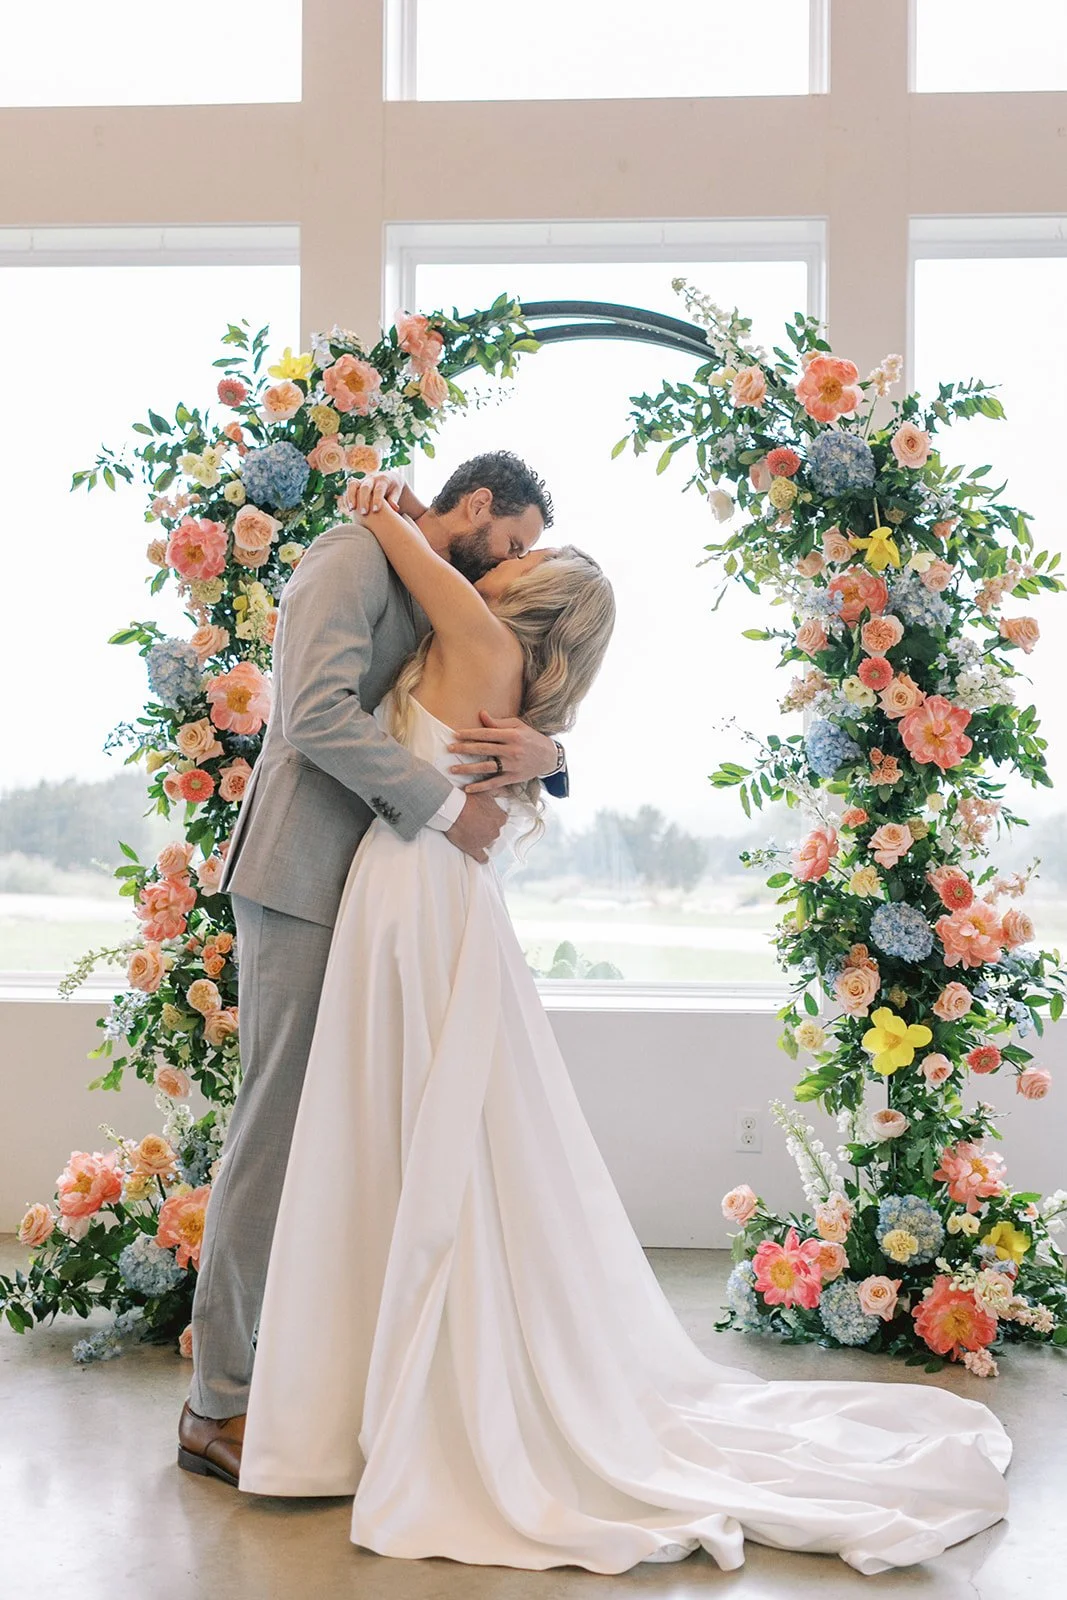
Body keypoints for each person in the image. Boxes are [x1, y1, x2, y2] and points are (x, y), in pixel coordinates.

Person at [234, 487, 1012, 1576]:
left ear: (523, 589)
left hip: (409, 892)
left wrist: (388, 503)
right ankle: (380, 1370)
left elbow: (404, 557)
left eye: (518, 556)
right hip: (408, 889)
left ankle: (364, 1386)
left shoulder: (460, 619)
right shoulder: (488, 654)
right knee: (412, 1125)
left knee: (394, 1120)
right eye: (511, 543)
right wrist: (543, 744)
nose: (505, 561)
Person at [178, 452, 569, 1483]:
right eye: (515, 543)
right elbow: (310, 715)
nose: (513, 569)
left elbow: (473, 688)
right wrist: (449, 807)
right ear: (477, 506)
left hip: (379, 896)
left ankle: (330, 1373)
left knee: (353, 1130)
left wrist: (549, 757)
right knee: (272, 1128)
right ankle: (213, 1400)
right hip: (304, 876)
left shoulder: (424, 576)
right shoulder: (350, 555)